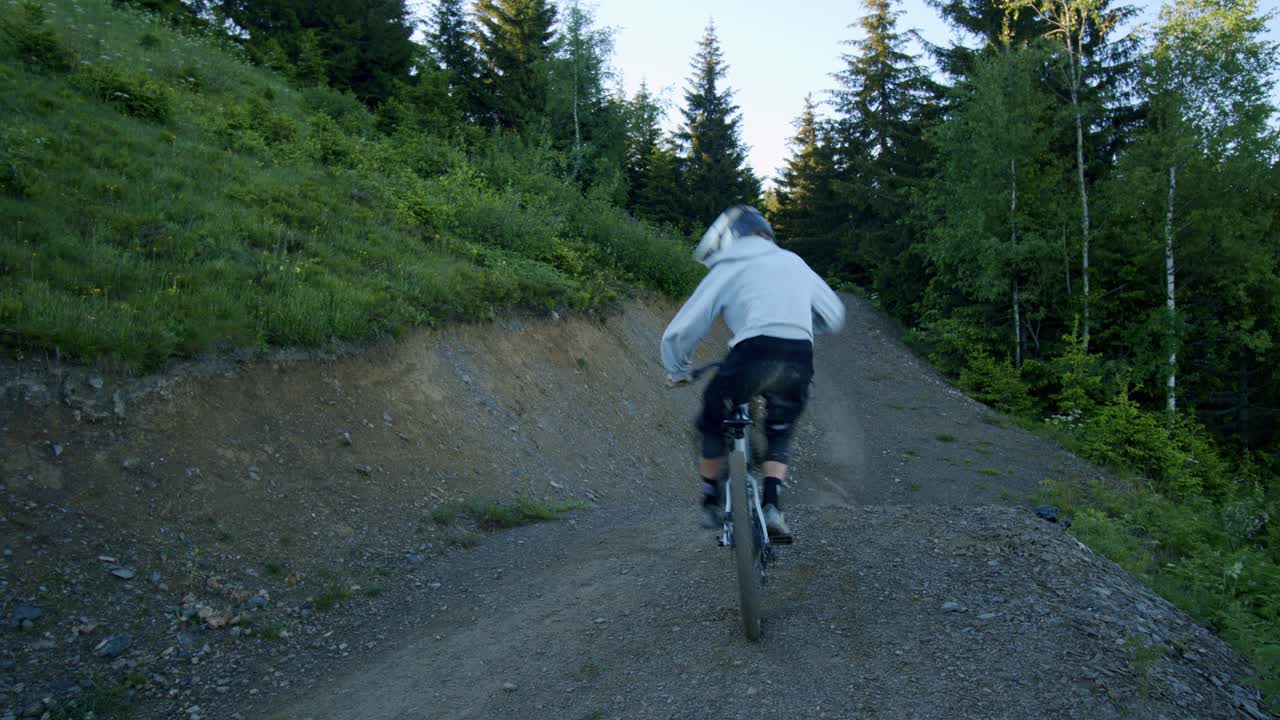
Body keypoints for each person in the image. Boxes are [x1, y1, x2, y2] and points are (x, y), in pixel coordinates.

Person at [661, 205, 846, 537]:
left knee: (711, 422)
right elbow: (834, 313)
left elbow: (687, 325)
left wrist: (678, 370)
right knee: (779, 429)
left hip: (752, 352)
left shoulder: (729, 265)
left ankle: (710, 501)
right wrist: (795, 325)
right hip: (799, 356)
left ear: (730, 238)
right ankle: (772, 506)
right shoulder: (794, 262)